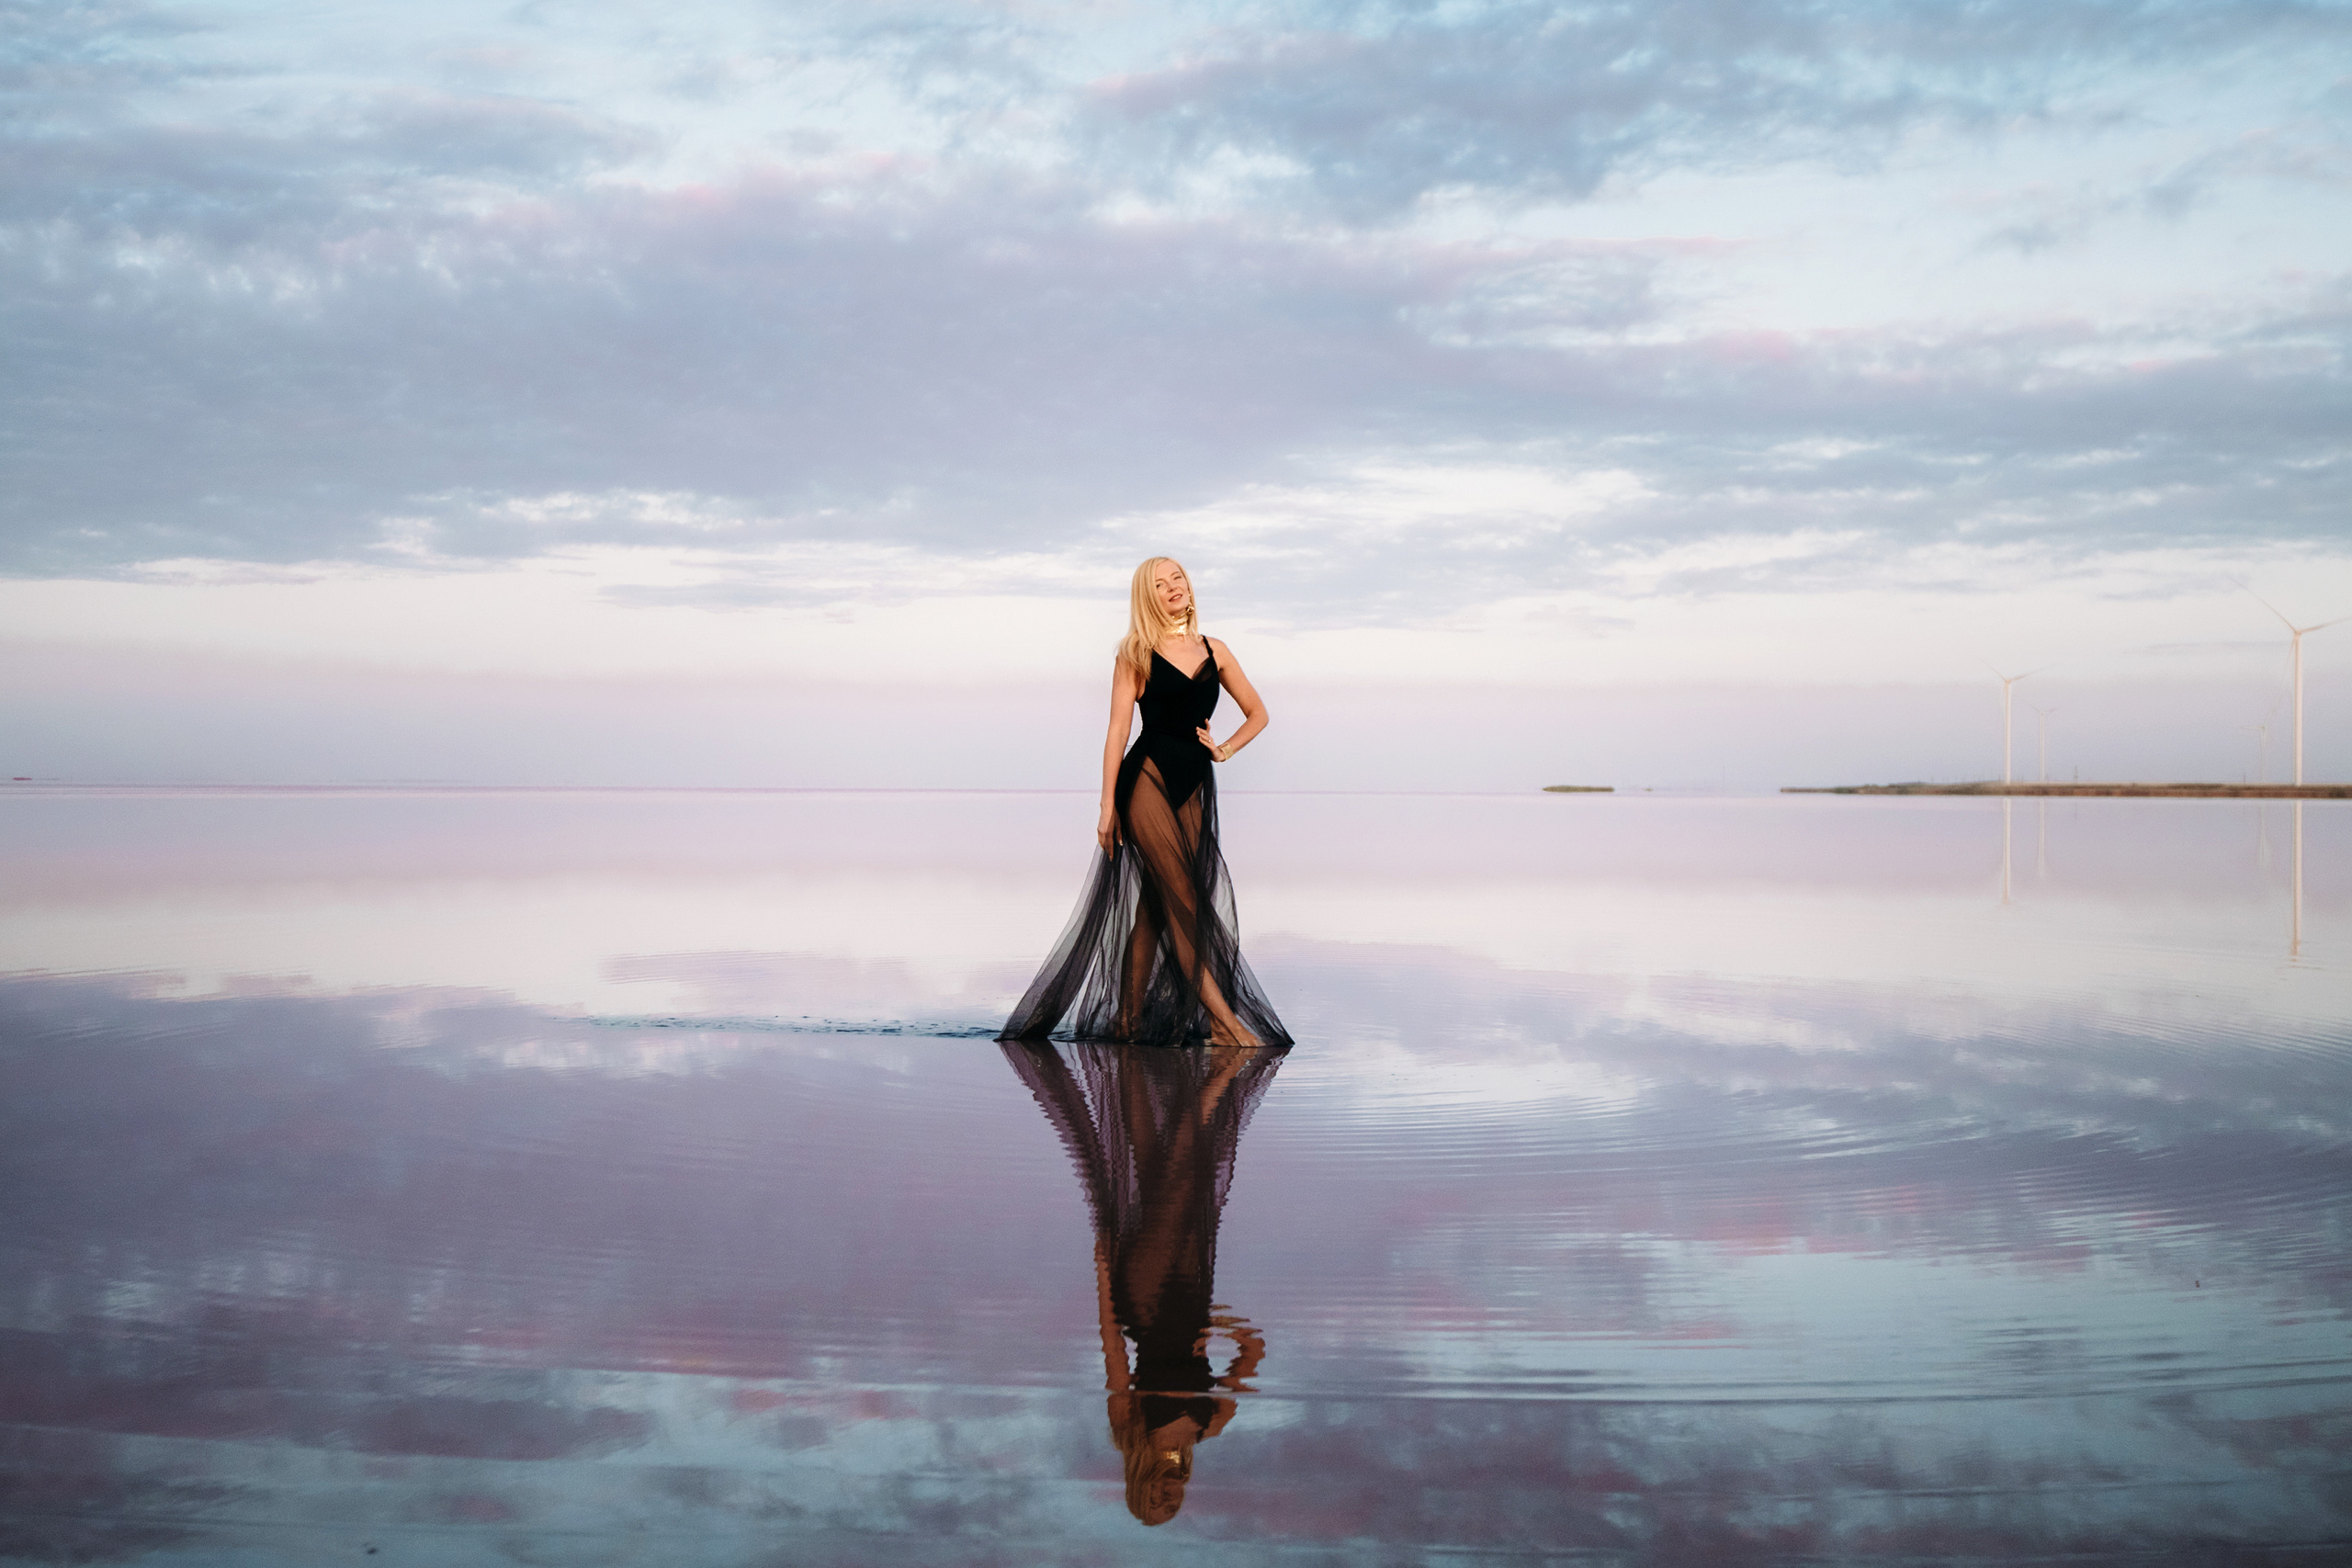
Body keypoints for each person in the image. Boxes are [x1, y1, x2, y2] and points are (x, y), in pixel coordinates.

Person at [999, 557, 1292, 1049]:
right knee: (1183, 900)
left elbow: (1258, 713)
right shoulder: (1135, 652)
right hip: (1147, 781)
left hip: (1193, 783)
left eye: (1177, 577)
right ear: (1146, 598)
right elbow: (1117, 731)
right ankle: (1224, 1025)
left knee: (1156, 908)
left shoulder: (1214, 649)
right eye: (1159, 584)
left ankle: (1128, 1021)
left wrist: (1224, 750)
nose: (1172, 587)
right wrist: (1106, 806)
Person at [1000, 1038, 1286, 1525]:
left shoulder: (1129, 1429)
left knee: (1178, 1184)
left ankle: (1218, 1080)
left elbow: (1113, 1350)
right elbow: (1255, 1349)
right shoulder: (1210, 1425)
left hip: (1145, 1299)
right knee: (1161, 1171)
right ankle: (1141, 1065)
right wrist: (1219, 1323)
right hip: (1192, 1296)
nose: (1167, 1499)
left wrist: (1103, 1267)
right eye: (1171, 1506)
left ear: (1137, 1489)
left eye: (1154, 1503)